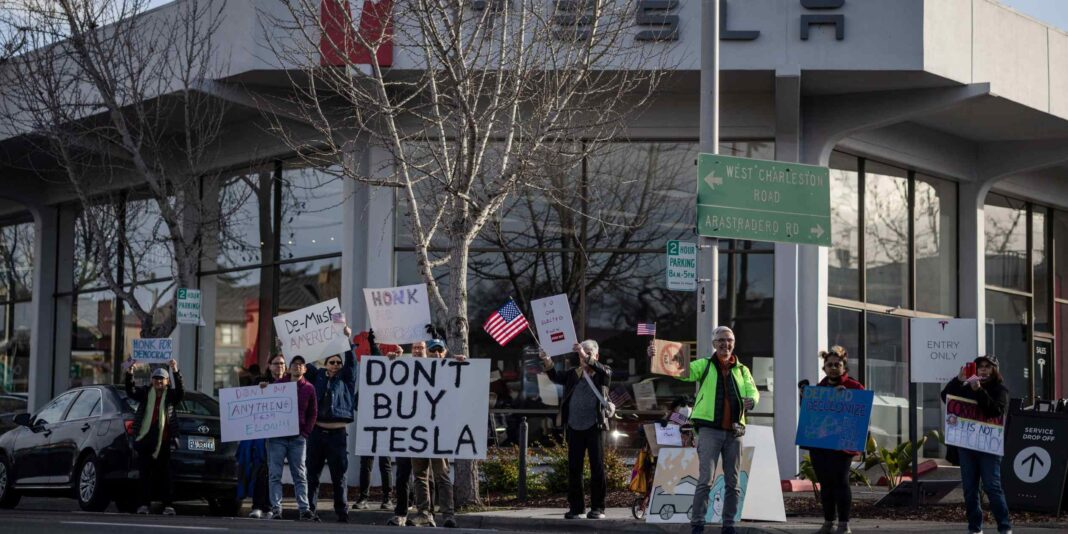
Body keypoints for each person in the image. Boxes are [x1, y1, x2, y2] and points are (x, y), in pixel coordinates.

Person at [666, 325, 758, 534]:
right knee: (705, 480)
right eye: (721, 341)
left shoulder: (742, 370)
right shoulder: (704, 365)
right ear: (714, 344)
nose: (726, 344)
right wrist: (658, 358)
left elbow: (752, 391)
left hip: (735, 432)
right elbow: (683, 373)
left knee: (733, 482)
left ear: (733, 344)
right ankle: (697, 523)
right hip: (709, 431)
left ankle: (729, 525)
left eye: (729, 341)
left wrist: (752, 400)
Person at [540, 340, 612, 520]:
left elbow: (606, 371)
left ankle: (598, 508)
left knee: (597, 468)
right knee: (574, 468)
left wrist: (583, 354)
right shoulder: (573, 373)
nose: (583, 355)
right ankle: (577, 508)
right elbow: (555, 376)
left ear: (596, 356)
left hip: (595, 426)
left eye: (588, 352)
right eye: (581, 352)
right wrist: (547, 359)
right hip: (574, 426)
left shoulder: (603, 373)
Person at [941, 355, 1013, 534]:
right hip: (967, 446)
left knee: (992, 487)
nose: (983, 370)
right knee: (969, 489)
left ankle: (1004, 527)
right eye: (980, 366)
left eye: (988, 367)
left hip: (989, 447)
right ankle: (975, 528)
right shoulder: (965, 387)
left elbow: (994, 410)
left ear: (995, 370)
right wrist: (958, 380)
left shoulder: (1000, 389)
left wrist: (979, 390)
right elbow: (946, 397)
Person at [801, 347, 864, 534]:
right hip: (820, 445)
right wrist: (803, 397)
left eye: (838, 364)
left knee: (841, 482)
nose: (833, 368)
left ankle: (844, 525)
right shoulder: (818, 389)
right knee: (825, 484)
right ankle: (828, 522)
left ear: (844, 367)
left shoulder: (854, 387)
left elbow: (860, 413)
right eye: (830, 365)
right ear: (824, 368)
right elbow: (809, 415)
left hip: (842, 445)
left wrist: (845, 398)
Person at [407, 337, 466, 528]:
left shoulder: (450, 372)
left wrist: (461, 365)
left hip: (439, 434)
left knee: (442, 475)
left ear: (444, 352)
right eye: (433, 351)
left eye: (440, 350)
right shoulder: (415, 372)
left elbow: (463, 390)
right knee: (420, 475)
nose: (437, 354)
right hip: (418, 432)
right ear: (428, 353)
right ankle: (424, 513)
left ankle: (448, 514)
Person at [305, 325, 357, 522]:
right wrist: (287, 347)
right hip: (317, 434)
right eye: (331, 362)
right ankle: (310, 509)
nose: (335, 365)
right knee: (312, 474)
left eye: (338, 362)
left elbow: (351, 362)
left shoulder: (346, 379)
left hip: (337, 436)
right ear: (326, 364)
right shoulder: (317, 376)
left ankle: (342, 512)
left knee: (339, 476)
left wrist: (347, 340)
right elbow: (303, 363)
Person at [124, 358, 184, 515]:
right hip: (145, 441)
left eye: (162, 379)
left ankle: (168, 505)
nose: (158, 382)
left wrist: (175, 370)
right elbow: (131, 391)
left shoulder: (170, 396)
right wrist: (130, 372)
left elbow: (181, 392)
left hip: (164, 441)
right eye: (156, 379)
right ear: (151, 381)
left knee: (165, 475)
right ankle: (144, 505)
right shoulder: (145, 393)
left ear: (167, 382)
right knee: (145, 475)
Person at [267, 355, 318, 521]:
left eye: (300, 364)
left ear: (305, 369)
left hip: (298, 438)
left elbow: (313, 413)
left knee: (300, 475)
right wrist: (262, 388)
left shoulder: (309, 388)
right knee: (275, 474)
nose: (297, 367)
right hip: (277, 438)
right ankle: (276, 509)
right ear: (289, 368)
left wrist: (305, 433)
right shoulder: (278, 386)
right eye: (294, 364)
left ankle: (304, 509)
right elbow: (267, 405)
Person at [243, 354, 289, 519]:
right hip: (264, 434)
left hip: (283, 435)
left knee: (275, 472)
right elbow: (249, 401)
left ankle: (270, 506)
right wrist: (258, 390)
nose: (279, 367)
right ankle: (258, 506)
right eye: (276, 364)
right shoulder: (261, 382)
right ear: (269, 366)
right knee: (262, 469)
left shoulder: (290, 383)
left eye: (282, 364)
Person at [386, 340, 426, 527]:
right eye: (415, 348)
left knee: (424, 477)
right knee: (402, 474)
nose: (418, 351)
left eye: (421, 348)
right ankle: (401, 512)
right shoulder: (405, 365)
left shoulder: (438, 368)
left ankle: (425, 513)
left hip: (425, 432)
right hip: (404, 431)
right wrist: (393, 362)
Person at [354, 331, 393, 512]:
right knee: (366, 464)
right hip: (368, 426)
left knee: (385, 463)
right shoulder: (365, 383)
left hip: (384, 426)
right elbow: (356, 403)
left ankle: (387, 498)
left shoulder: (390, 383)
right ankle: (363, 498)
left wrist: (373, 343)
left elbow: (378, 361)